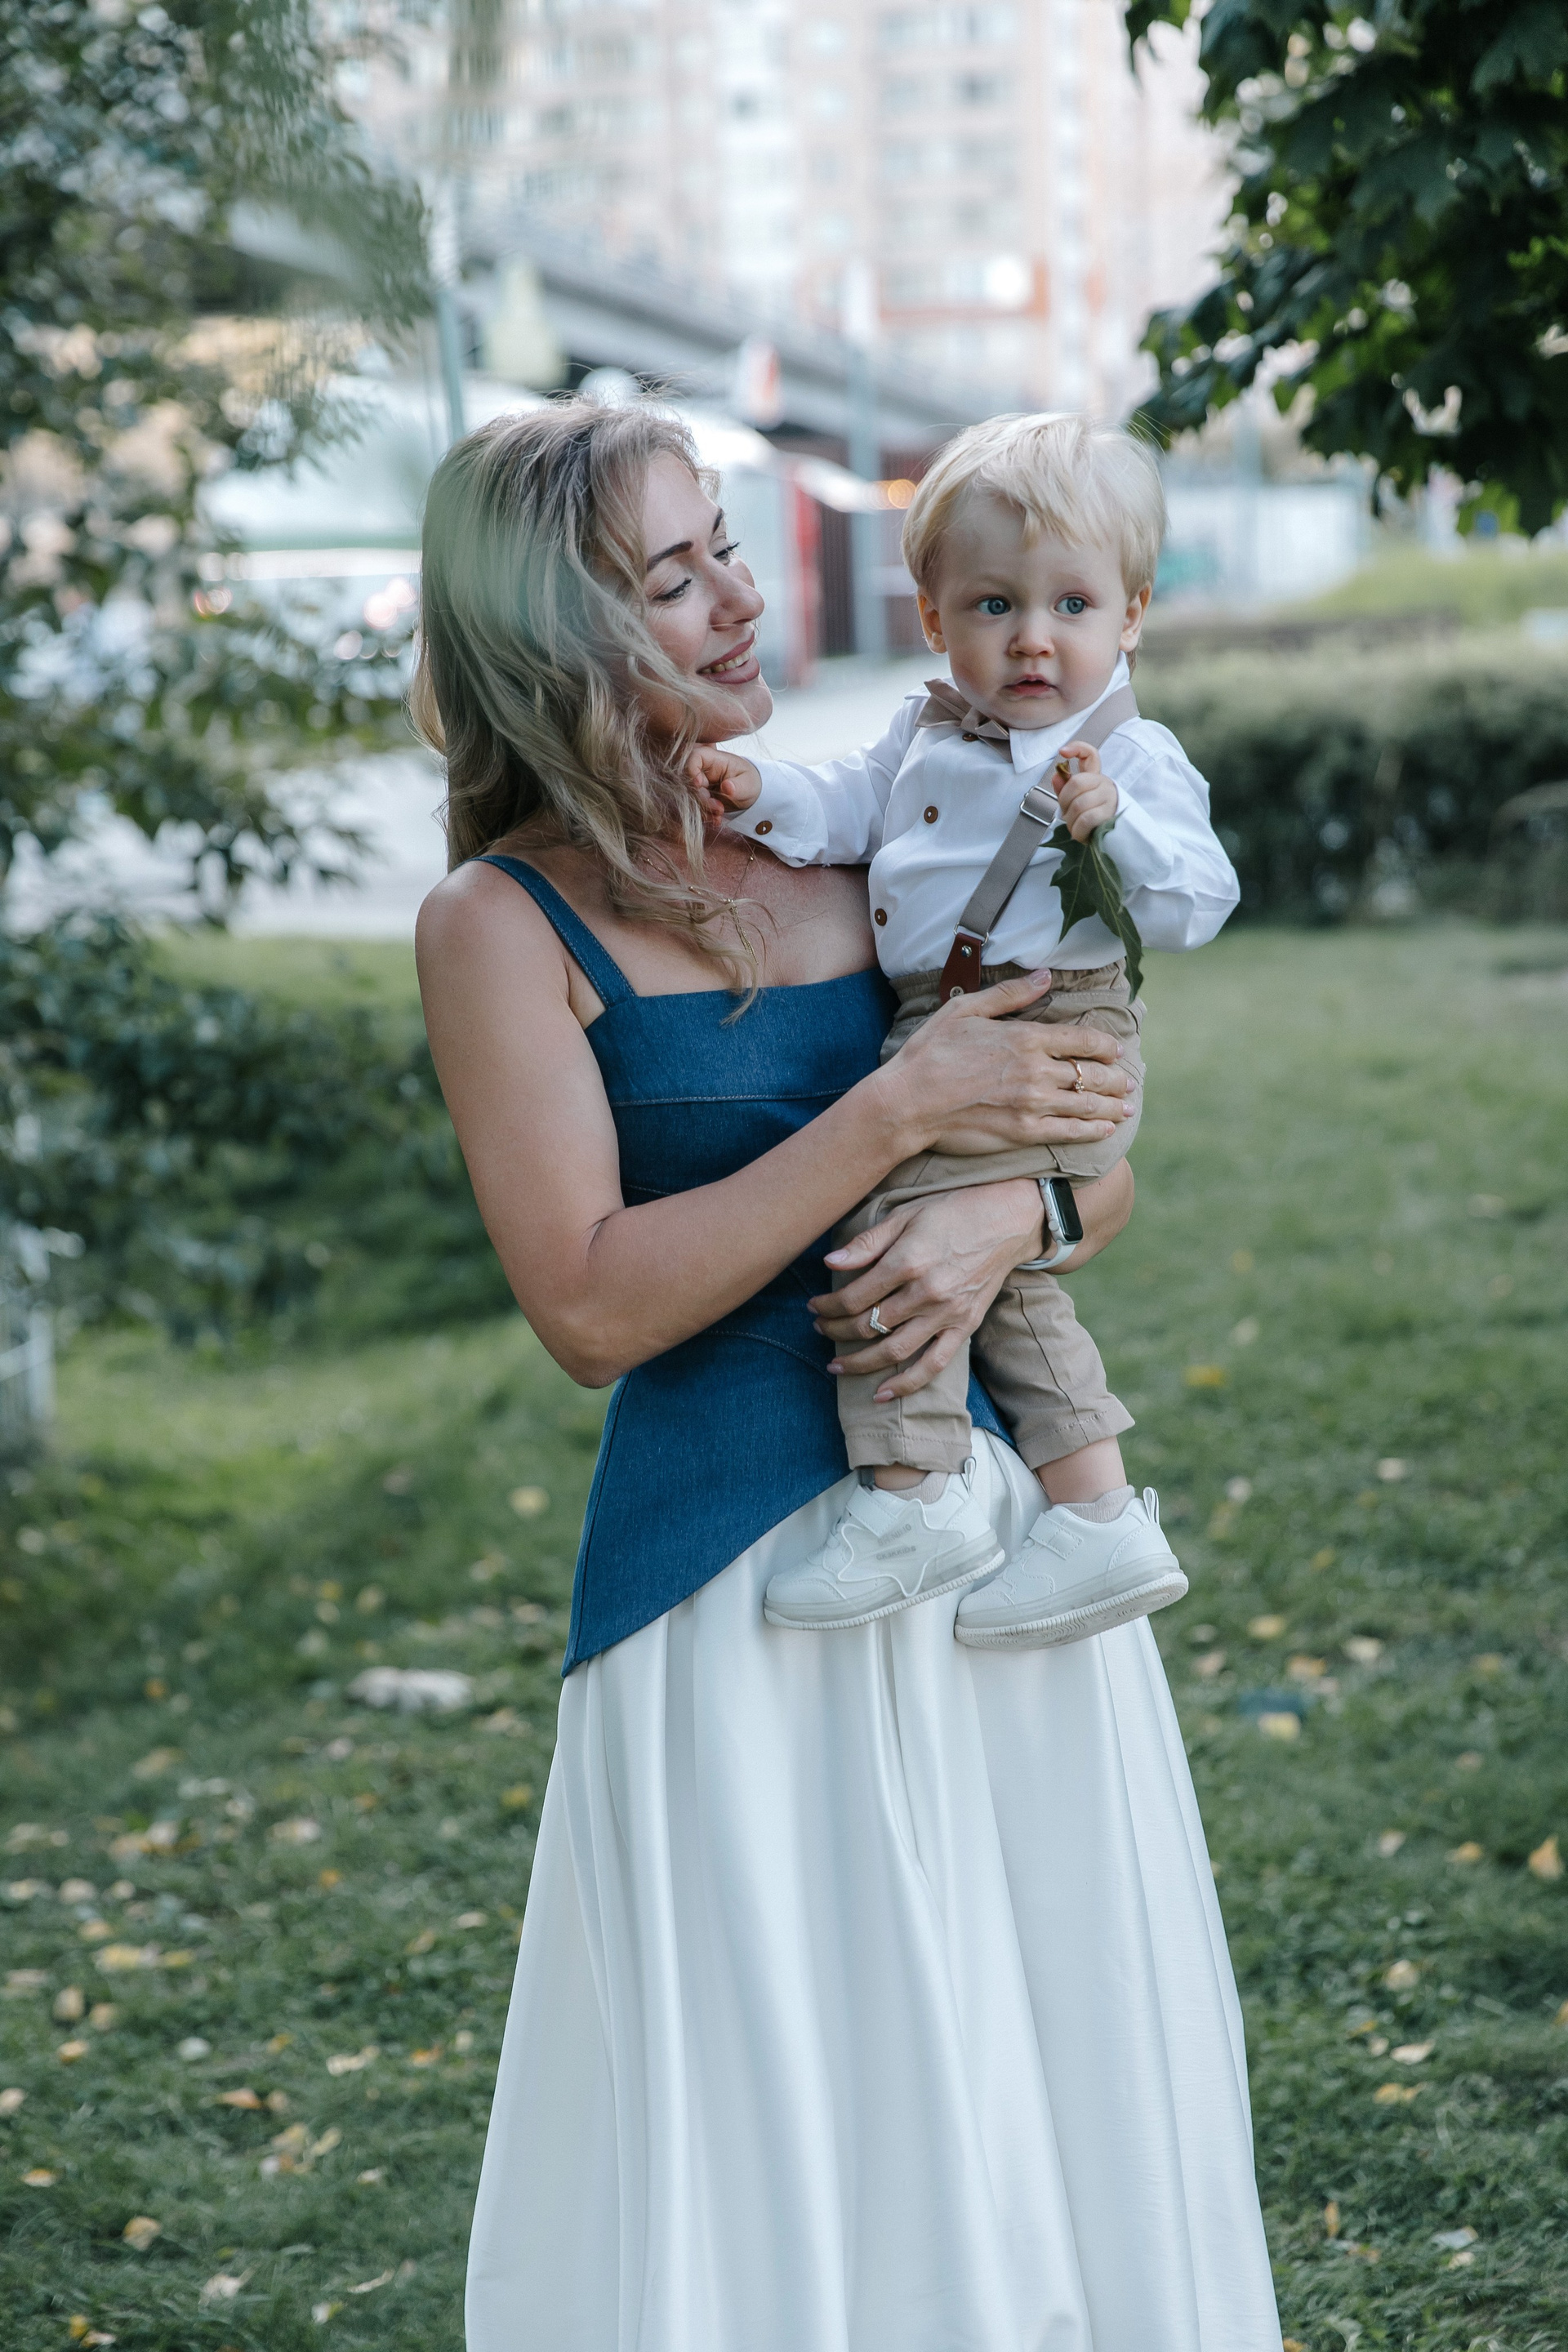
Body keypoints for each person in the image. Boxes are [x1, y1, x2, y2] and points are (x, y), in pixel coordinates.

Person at [414, 398, 1281, 2350]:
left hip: (994, 1555)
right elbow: (590, 1306)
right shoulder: (499, 924)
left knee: (1052, 2069)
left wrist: (1007, 1222)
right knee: (801, 2122)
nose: (742, 597)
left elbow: (1094, 1153)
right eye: (677, 575)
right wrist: (895, 1116)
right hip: (730, 1593)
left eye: (725, 544)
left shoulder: (870, 819)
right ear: (560, 638)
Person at [697, 412, 1238, 1650]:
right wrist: (762, 792)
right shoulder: (927, 731)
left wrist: (1113, 825)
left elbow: (1199, 901)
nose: (1033, 637)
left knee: (894, 1228)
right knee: (983, 1267)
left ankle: (913, 1493)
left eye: (1072, 605)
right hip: (944, 1022)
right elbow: (849, 805)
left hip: (1047, 1026)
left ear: (1132, 616)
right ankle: (1095, 1516)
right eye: (995, 605)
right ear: (937, 621)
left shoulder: (1129, 755)